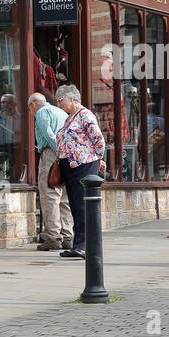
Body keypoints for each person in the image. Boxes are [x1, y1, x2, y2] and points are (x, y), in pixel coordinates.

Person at [54, 84, 107, 258]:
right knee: (76, 206)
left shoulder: (85, 115)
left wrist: (97, 159)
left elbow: (98, 139)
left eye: (60, 100)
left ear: (72, 99)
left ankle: (83, 246)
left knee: (83, 206)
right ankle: (79, 244)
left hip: (83, 166)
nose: (58, 104)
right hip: (70, 167)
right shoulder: (70, 117)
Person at [28, 92, 72, 251]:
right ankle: (67, 235)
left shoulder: (41, 112)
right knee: (65, 196)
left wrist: (59, 152)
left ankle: (53, 237)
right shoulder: (61, 111)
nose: (31, 113)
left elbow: (48, 134)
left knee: (50, 195)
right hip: (67, 154)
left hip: (52, 154)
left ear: (33, 105)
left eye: (29, 109)